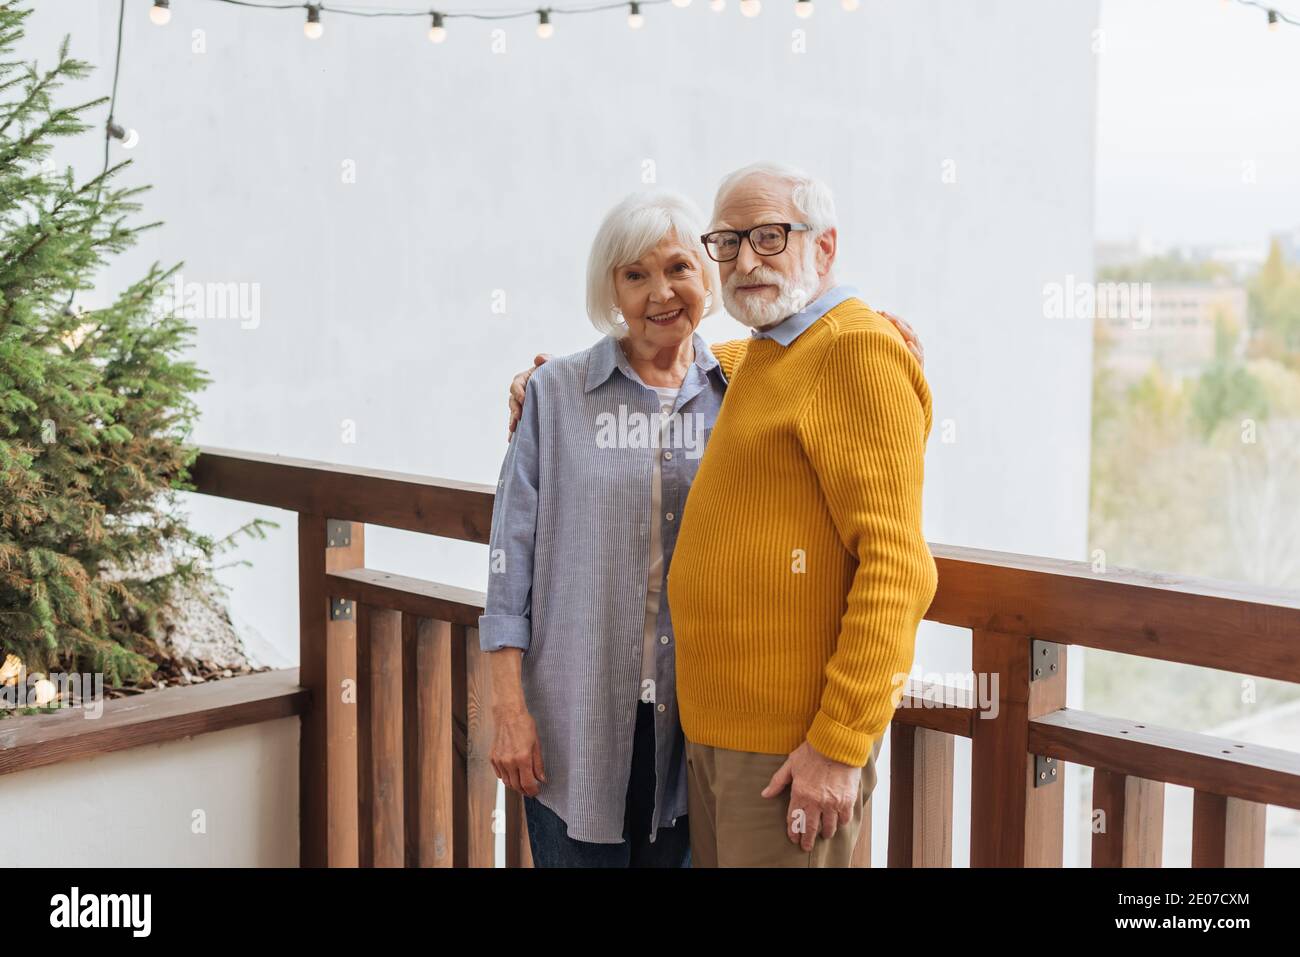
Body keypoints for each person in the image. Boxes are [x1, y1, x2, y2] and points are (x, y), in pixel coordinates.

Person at [505, 162, 936, 868]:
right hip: (708, 743)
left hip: (789, 748)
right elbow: (662, 362)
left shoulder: (856, 348)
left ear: (825, 247)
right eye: (728, 242)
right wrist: (552, 386)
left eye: (770, 237)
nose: (746, 259)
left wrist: (838, 746)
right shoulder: (758, 358)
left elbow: (899, 570)